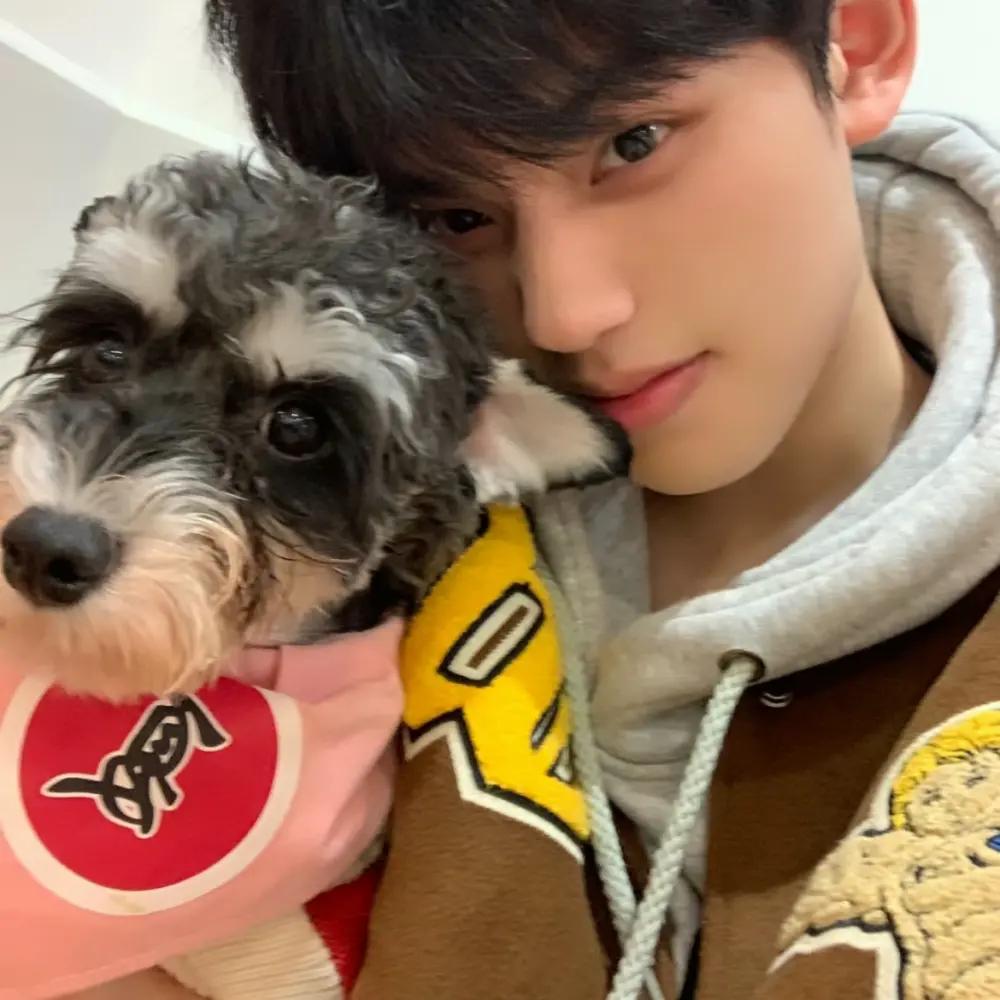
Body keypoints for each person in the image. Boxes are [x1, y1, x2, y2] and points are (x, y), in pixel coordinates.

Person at [201, 0, 1000, 997]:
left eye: (634, 142)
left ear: (858, 44)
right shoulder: (348, 533)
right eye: (457, 218)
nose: (563, 312)